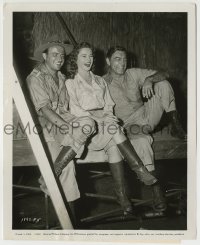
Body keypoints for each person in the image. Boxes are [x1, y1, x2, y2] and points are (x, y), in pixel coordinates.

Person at [65, 42, 166, 214]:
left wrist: (106, 115)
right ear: (76, 59)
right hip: (86, 131)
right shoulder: (71, 82)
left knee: (114, 146)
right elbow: (75, 110)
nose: (88, 59)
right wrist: (99, 116)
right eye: (84, 56)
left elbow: (109, 105)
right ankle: (140, 170)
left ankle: (122, 195)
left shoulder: (99, 80)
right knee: (114, 128)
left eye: (90, 56)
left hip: (105, 128)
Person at [103, 46, 186, 207]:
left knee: (163, 83)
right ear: (108, 61)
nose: (122, 63)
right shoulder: (102, 82)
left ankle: (176, 125)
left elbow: (165, 73)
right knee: (142, 141)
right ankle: (157, 191)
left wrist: (149, 80)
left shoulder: (133, 73)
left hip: (147, 115)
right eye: (117, 59)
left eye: (124, 59)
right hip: (128, 125)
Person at [26, 36, 96, 225]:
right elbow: (46, 110)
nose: (59, 58)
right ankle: (68, 223)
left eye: (62, 55)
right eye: (54, 54)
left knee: (89, 123)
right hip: (45, 127)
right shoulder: (35, 78)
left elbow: (66, 109)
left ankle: (49, 175)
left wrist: (82, 121)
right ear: (44, 56)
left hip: (62, 124)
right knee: (68, 167)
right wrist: (69, 128)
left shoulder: (62, 77)